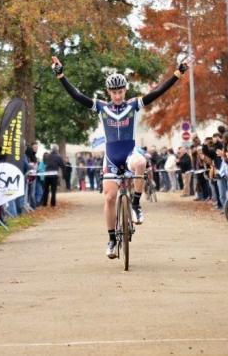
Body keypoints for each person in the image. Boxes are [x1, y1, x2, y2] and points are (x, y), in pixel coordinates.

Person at [52, 55, 187, 258]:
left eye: (121, 91)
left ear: (125, 90)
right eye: (114, 92)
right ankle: (112, 239)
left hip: (130, 152)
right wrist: (61, 76)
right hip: (112, 156)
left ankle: (136, 204)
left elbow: (157, 92)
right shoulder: (101, 107)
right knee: (109, 198)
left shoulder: (133, 105)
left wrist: (177, 74)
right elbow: (78, 96)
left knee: (141, 161)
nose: (117, 96)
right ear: (109, 92)